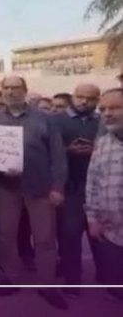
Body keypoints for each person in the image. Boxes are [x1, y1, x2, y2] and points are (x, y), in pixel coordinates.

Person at [0, 76, 68, 310]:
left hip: (40, 187)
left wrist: (58, 187)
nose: (10, 92)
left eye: (15, 88)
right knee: (5, 234)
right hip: (5, 187)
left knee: (45, 238)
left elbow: (58, 156)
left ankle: (47, 284)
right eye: (6, 88)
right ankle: (11, 276)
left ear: (25, 90)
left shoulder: (45, 118)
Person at [53, 84, 101, 297]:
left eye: (90, 98)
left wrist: (95, 151)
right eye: (80, 96)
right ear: (73, 96)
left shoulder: (103, 121)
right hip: (70, 186)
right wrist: (67, 150)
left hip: (98, 187)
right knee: (70, 234)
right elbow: (49, 152)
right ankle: (73, 280)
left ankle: (107, 277)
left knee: (100, 236)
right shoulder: (56, 120)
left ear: (97, 100)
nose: (84, 101)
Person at [86, 88, 123, 303]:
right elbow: (93, 182)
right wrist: (92, 219)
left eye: (115, 108)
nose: (107, 114)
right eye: (103, 109)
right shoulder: (102, 143)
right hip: (110, 231)